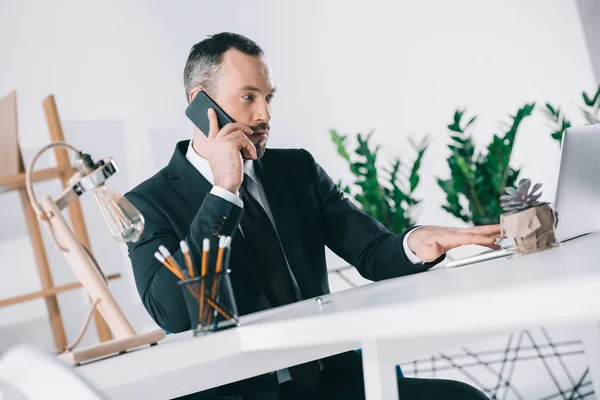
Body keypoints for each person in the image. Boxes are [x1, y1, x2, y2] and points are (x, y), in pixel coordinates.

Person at [125, 32, 499, 400]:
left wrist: (419, 244)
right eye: (248, 97)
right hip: (244, 392)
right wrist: (224, 190)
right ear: (200, 102)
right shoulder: (147, 203)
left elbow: (371, 251)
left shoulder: (297, 169)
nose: (265, 115)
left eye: (269, 98)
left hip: (333, 377)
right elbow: (172, 314)